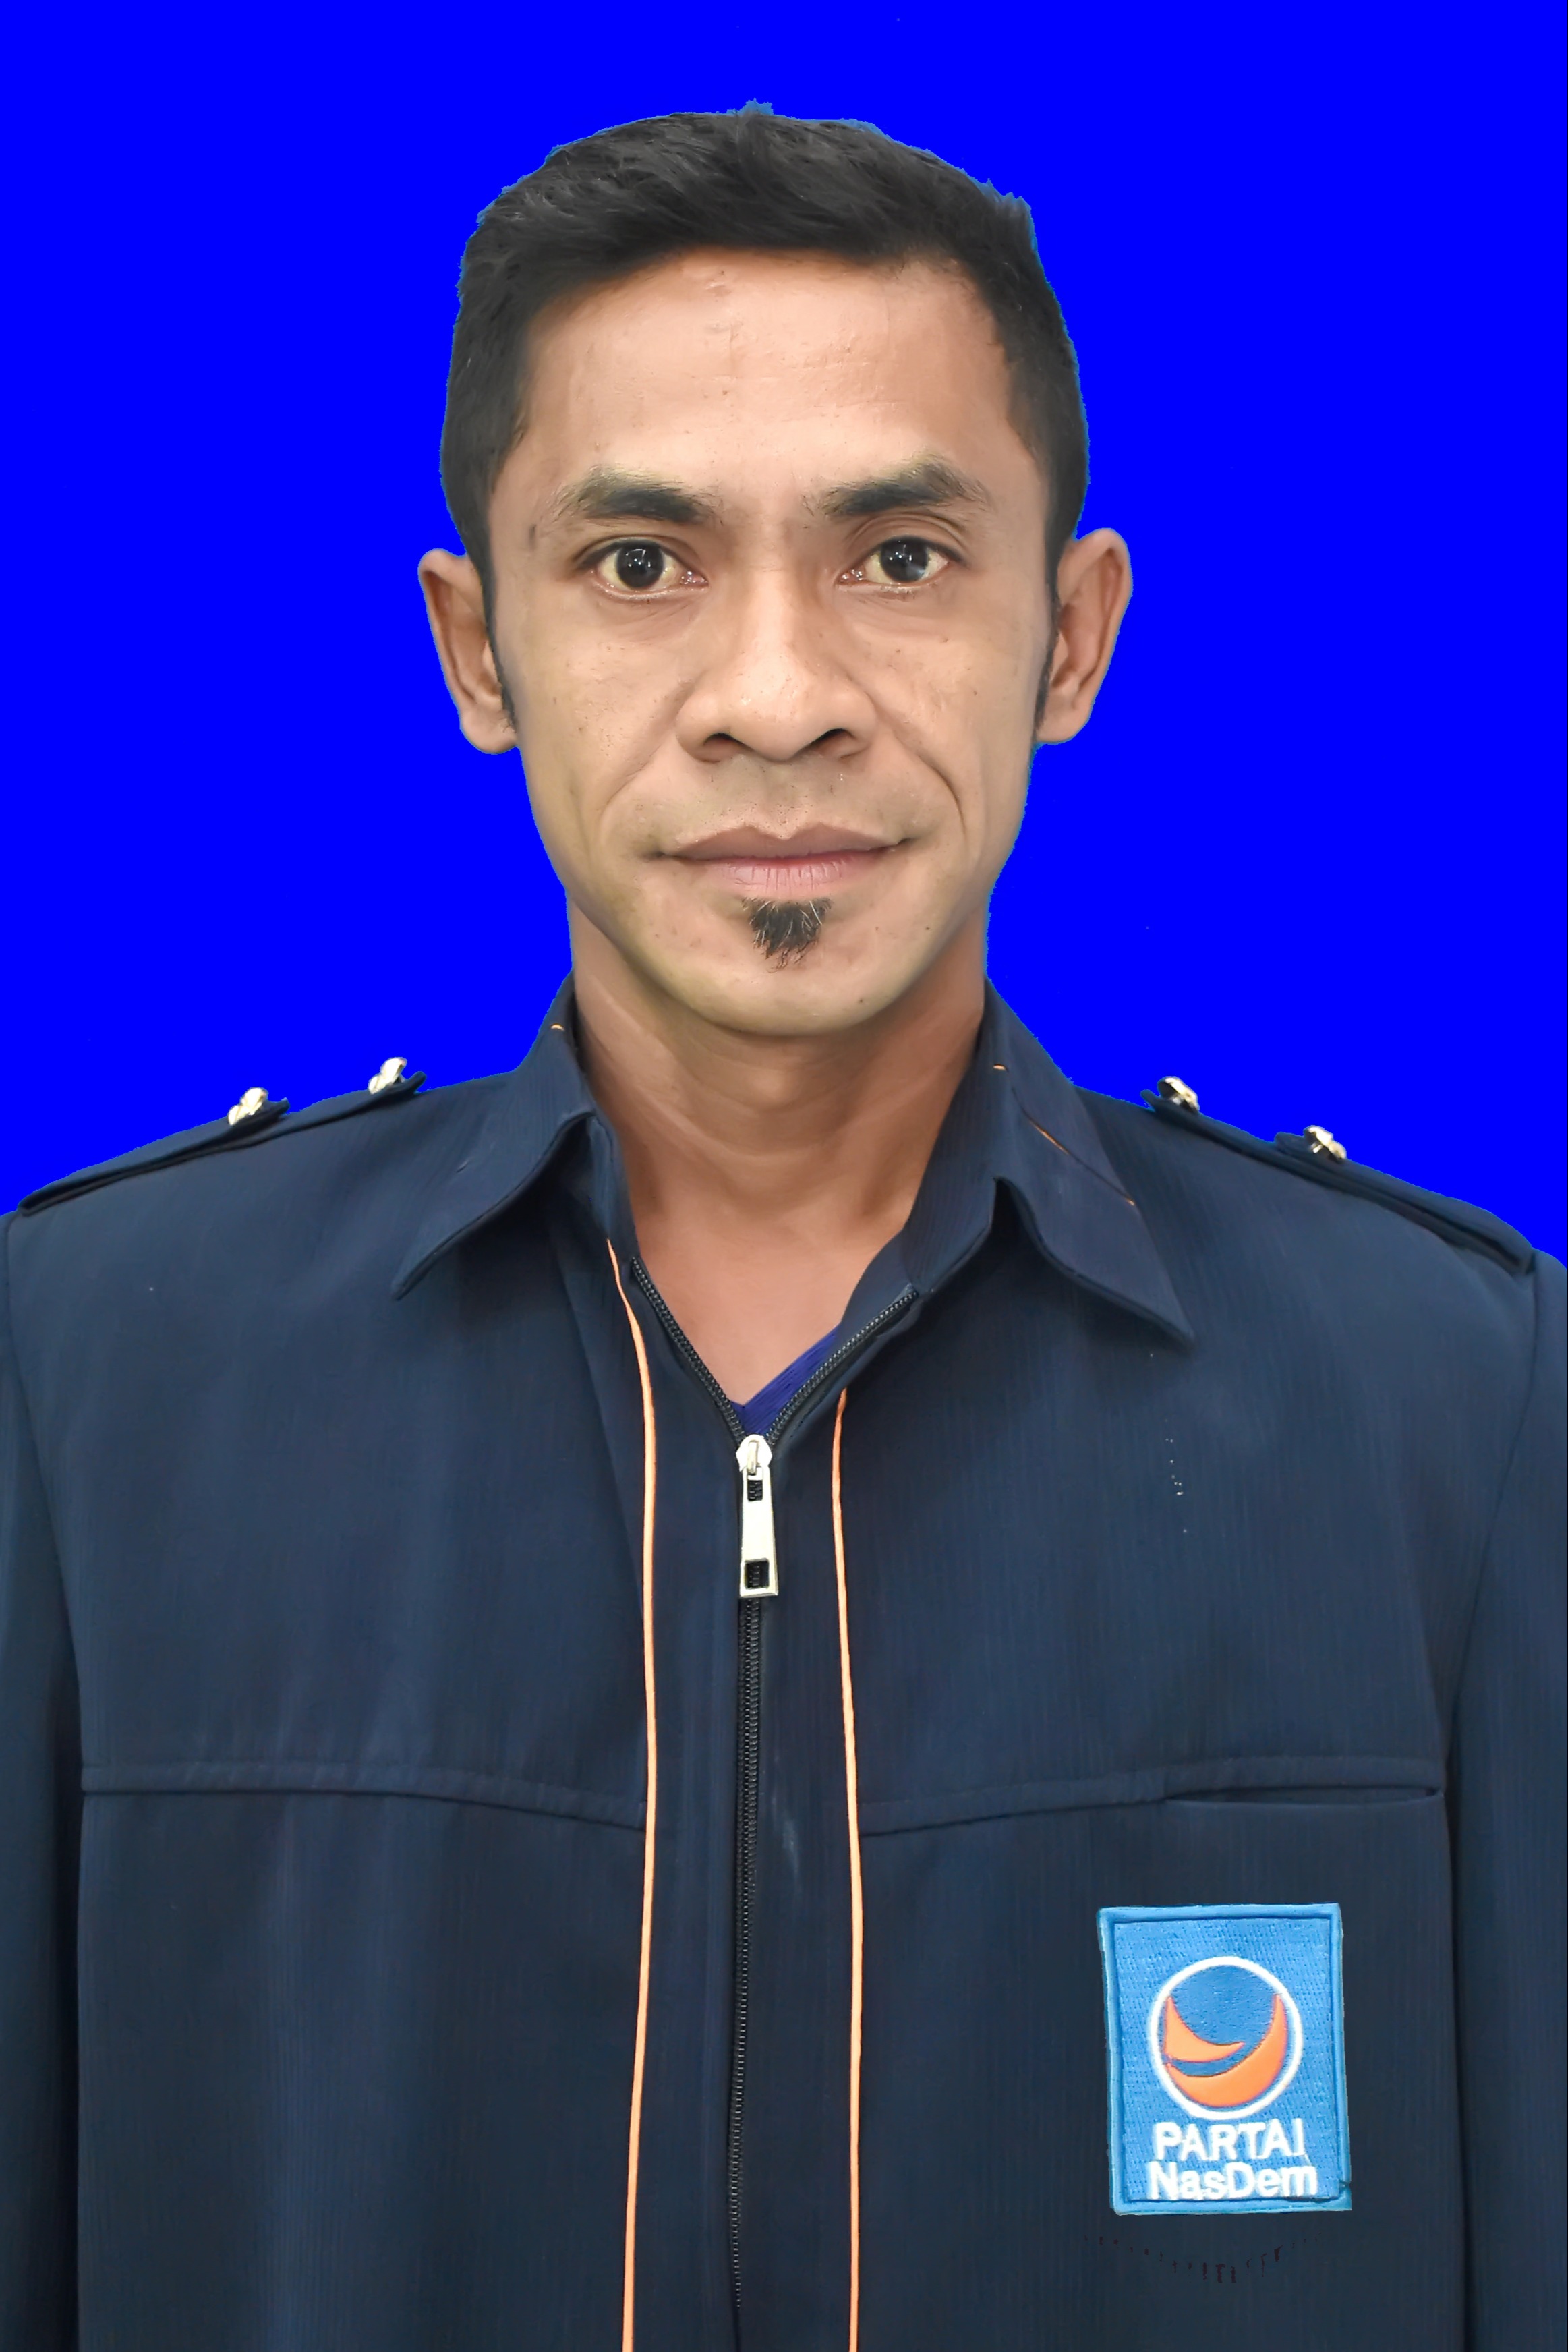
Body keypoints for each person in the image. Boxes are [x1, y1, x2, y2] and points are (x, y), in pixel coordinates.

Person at [1, 110, 1561, 2352]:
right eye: (640, 564)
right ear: (475, 648)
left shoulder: (1455, 1407)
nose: (776, 696)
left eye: (900, 557)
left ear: (1070, 636)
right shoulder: (91, 1380)